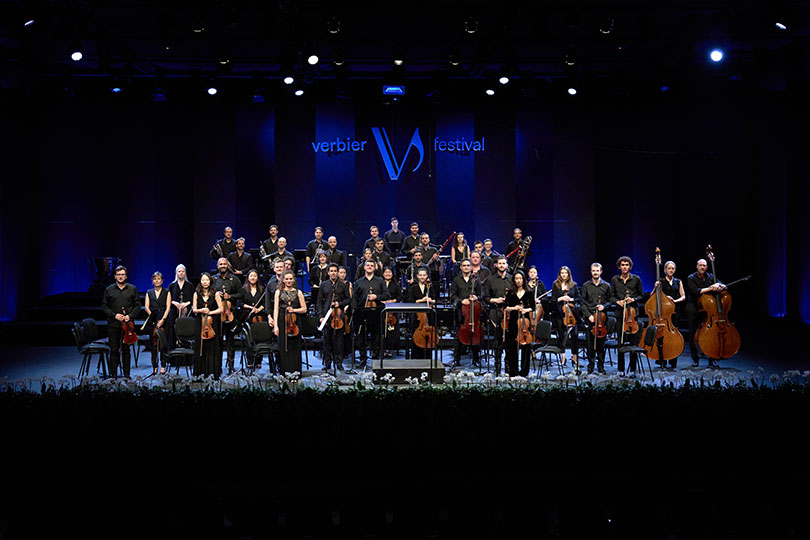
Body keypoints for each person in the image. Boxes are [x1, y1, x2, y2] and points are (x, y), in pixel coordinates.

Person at [101, 265, 141, 378]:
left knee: (126, 350)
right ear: (115, 276)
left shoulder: (132, 289)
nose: (120, 277)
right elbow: (104, 306)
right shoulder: (109, 290)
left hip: (128, 325)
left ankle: (127, 375)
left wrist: (130, 316)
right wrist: (114, 315)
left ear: (126, 276)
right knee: (114, 350)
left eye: (123, 274)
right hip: (113, 324)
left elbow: (138, 305)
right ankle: (113, 375)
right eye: (118, 275)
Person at [686, 258, 726, 368]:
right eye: (700, 265)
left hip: (708, 308)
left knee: (712, 334)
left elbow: (723, 285)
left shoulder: (710, 277)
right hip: (694, 307)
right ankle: (695, 358)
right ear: (697, 266)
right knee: (693, 334)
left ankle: (712, 358)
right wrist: (711, 288)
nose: (702, 267)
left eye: (704, 265)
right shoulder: (691, 278)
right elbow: (696, 291)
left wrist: (720, 286)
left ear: (707, 267)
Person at [610, 256, 644, 375]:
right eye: (622, 265)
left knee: (633, 343)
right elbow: (611, 296)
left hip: (632, 314)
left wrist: (633, 299)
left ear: (630, 267)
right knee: (621, 342)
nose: (624, 267)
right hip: (620, 314)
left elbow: (641, 295)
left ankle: (633, 369)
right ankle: (620, 369)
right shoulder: (615, 279)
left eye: (627, 265)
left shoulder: (636, 279)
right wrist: (617, 301)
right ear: (619, 267)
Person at [352, 259, 388, 367]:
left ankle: (375, 359)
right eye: (368, 265)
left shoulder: (380, 281)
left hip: (376, 312)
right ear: (364, 267)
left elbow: (386, 295)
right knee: (361, 338)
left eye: (372, 265)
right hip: (362, 312)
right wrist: (355, 311)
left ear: (375, 268)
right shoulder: (358, 282)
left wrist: (376, 297)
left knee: (376, 337)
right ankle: (363, 359)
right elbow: (355, 298)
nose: (369, 267)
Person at [213, 257, 244, 374]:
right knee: (218, 342)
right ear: (217, 266)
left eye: (225, 264)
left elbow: (241, 294)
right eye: (220, 264)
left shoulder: (234, 279)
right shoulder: (214, 279)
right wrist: (216, 294)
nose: (223, 266)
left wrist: (230, 296)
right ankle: (218, 367)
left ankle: (231, 366)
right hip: (217, 315)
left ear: (228, 265)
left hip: (230, 314)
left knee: (230, 342)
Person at [272, 270, 307, 374]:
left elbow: (304, 309)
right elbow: (276, 309)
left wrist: (294, 310)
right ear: (283, 280)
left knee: (295, 346)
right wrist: (275, 326)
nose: (288, 281)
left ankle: (296, 371)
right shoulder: (278, 292)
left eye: (290, 279)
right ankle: (285, 372)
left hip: (295, 322)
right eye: (286, 279)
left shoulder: (298, 292)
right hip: (282, 321)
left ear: (294, 280)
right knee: (284, 347)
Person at [450, 258, 483, 367]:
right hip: (461, 312)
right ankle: (457, 359)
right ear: (460, 267)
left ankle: (476, 359)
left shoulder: (476, 280)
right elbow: (452, 296)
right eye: (464, 265)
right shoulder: (456, 280)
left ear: (471, 267)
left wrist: (476, 297)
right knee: (458, 336)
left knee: (475, 335)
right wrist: (461, 301)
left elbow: (482, 295)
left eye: (468, 265)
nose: (466, 267)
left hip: (474, 312)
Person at [318, 263, 351, 371]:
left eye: (335, 271)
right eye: (331, 271)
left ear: (337, 273)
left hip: (339, 316)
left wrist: (339, 304)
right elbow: (319, 302)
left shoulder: (343, 285)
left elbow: (348, 299)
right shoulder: (323, 285)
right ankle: (327, 363)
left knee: (339, 342)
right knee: (327, 341)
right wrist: (321, 316)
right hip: (327, 316)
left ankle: (339, 363)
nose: (333, 273)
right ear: (328, 273)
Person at [654, 260, 686, 369]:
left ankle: (673, 359)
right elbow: (652, 295)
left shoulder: (678, 281)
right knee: (661, 335)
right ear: (665, 270)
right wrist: (655, 287)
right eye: (669, 268)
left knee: (673, 336)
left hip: (675, 311)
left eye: (673, 268)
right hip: (663, 312)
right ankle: (661, 359)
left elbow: (683, 296)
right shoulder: (661, 281)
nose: (671, 270)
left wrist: (674, 301)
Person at [581, 263, 611, 375]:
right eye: (593, 270)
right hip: (590, 319)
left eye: (597, 270)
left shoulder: (606, 286)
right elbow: (582, 303)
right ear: (591, 271)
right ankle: (591, 365)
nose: (595, 272)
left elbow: (611, 301)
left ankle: (601, 366)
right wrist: (589, 315)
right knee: (590, 345)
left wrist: (604, 306)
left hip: (602, 319)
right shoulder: (586, 286)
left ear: (601, 272)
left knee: (601, 345)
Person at [482, 256, 511, 375]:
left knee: (509, 340)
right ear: (496, 265)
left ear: (507, 265)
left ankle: (508, 366)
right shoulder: (490, 279)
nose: (502, 265)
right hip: (495, 311)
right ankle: (497, 367)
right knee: (497, 340)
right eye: (500, 263)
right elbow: (485, 297)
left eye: (504, 263)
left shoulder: (512, 279)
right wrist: (496, 300)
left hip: (509, 313)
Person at [192, 272, 224, 379]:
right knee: (200, 346)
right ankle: (200, 373)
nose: (205, 282)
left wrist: (210, 312)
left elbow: (221, 309)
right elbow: (194, 309)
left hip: (212, 323)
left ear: (210, 281)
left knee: (212, 347)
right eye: (203, 280)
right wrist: (201, 310)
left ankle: (212, 372)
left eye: (207, 280)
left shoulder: (215, 294)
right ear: (200, 281)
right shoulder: (196, 294)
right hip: (199, 323)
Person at [504, 271, 535, 377]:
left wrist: (525, 310)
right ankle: (513, 371)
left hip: (525, 322)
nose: (518, 281)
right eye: (516, 278)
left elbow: (533, 307)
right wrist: (514, 308)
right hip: (513, 321)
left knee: (526, 347)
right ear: (514, 280)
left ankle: (524, 372)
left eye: (520, 278)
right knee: (512, 347)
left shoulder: (529, 292)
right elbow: (506, 307)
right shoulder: (511, 292)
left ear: (523, 280)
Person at [551, 266, 580, 369]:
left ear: (568, 274)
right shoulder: (556, 285)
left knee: (574, 335)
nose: (564, 275)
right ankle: (563, 357)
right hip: (560, 314)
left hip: (572, 314)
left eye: (565, 273)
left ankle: (575, 357)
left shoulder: (573, 285)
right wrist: (561, 298)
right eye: (562, 273)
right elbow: (553, 299)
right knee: (561, 335)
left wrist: (571, 299)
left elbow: (579, 298)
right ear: (560, 274)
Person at [144, 271, 171, 375]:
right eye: (155, 279)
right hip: (153, 319)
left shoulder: (167, 292)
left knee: (163, 344)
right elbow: (146, 307)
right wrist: (153, 317)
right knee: (153, 345)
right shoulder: (149, 292)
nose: (157, 281)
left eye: (159, 279)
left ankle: (163, 365)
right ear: (152, 281)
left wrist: (163, 319)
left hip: (164, 319)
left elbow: (168, 307)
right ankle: (154, 365)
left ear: (162, 280)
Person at [408, 267, 437, 360]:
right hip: (417, 315)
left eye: (424, 275)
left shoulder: (430, 287)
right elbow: (410, 301)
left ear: (427, 276)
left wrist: (430, 300)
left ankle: (428, 356)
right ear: (417, 276)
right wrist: (421, 300)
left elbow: (435, 300)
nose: (422, 277)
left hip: (428, 315)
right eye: (420, 275)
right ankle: (416, 357)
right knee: (416, 334)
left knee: (428, 335)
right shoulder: (413, 288)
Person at [168, 264, 194, 357]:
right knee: (173, 328)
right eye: (179, 271)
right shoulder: (172, 285)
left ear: (185, 273)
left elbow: (193, 299)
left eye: (183, 271)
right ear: (176, 273)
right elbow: (169, 299)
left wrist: (186, 303)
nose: (181, 273)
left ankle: (187, 354)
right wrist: (174, 302)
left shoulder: (190, 285)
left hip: (186, 311)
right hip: (175, 310)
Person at [380, 266, 402, 357]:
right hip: (382, 308)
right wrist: (382, 301)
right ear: (383, 274)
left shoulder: (395, 284)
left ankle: (391, 349)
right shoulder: (380, 283)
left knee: (392, 331)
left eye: (389, 272)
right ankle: (383, 349)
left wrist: (392, 301)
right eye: (386, 272)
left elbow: (400, 296)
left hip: (393, 310)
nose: (388, 274)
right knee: (382, 329)